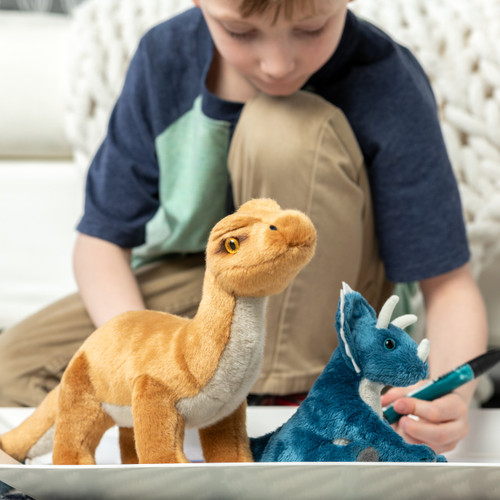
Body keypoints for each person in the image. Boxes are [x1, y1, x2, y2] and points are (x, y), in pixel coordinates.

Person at [0, 0, 487, 456]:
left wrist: (448, 392)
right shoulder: (163, 57)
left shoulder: (386, 80)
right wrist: (141, 359)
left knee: (284, 125)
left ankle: (279, 402)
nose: (276, 64)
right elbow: (100, 246)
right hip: (201, 287)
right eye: (239, 30)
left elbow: (449, 286)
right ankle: (211, 401)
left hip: (328, 296)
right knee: (14, 366)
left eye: (311, 27)